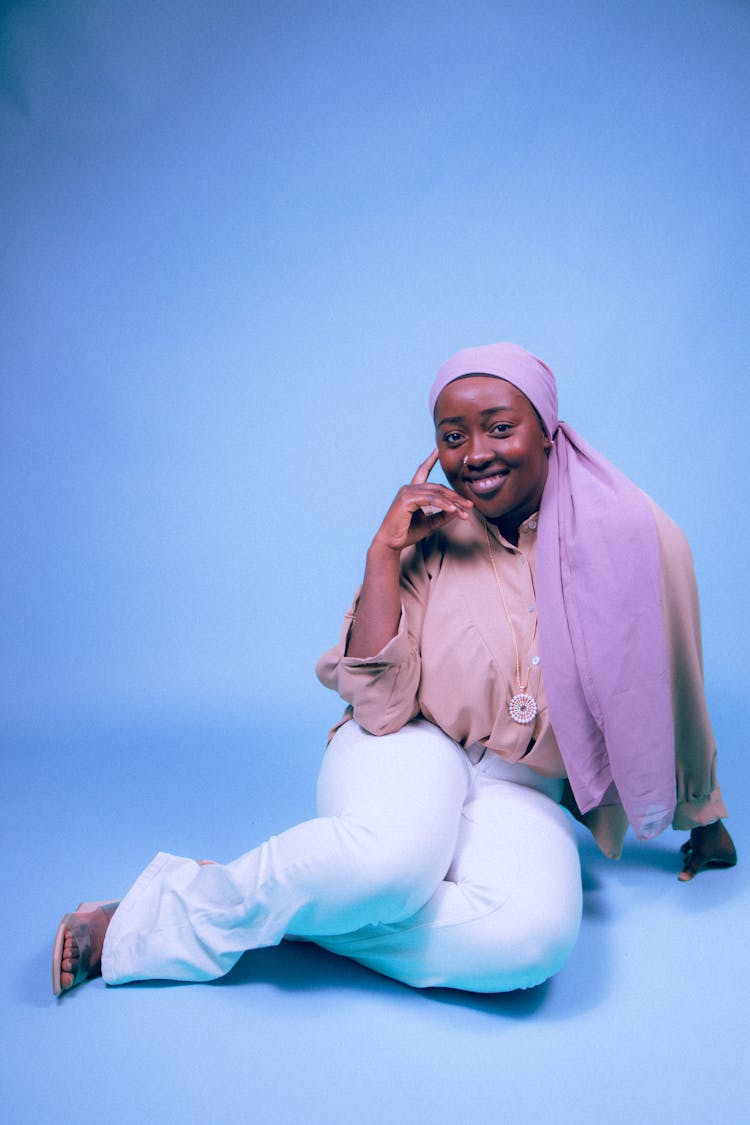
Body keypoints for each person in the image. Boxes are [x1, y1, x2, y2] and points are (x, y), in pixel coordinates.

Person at [52, 342, 737, 998]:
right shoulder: (426, 531)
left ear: (549, 426)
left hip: (525, 786)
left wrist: (702, 813)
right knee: (390, 864)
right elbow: (380, 710)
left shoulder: (636, 534)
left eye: (500, 427)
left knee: (529, 942)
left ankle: (280, 899)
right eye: (453, 435)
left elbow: (673, 674)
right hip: (411, 742)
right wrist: (384, 552)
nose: (476, 455)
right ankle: (141, 923)